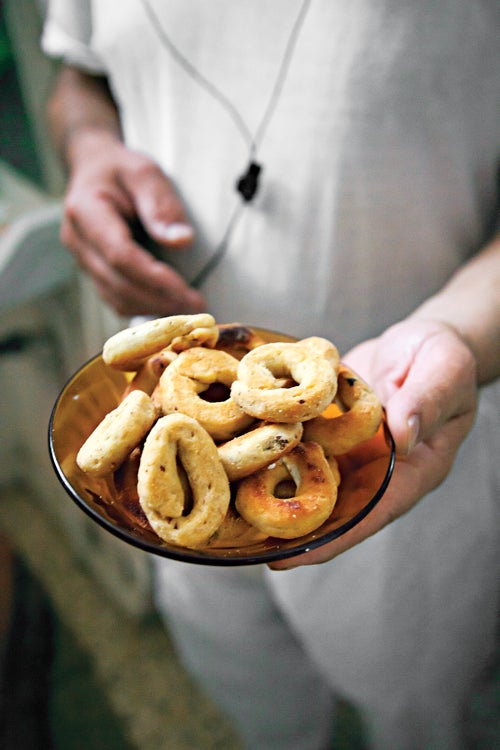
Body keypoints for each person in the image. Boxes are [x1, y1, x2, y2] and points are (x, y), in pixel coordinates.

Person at [41, 1, 499, 748]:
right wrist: (90, 154)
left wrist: (459, 331)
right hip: (166, 463)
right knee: (253, 704)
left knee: (421, 715)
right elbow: (80, 77)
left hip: (400, 441)